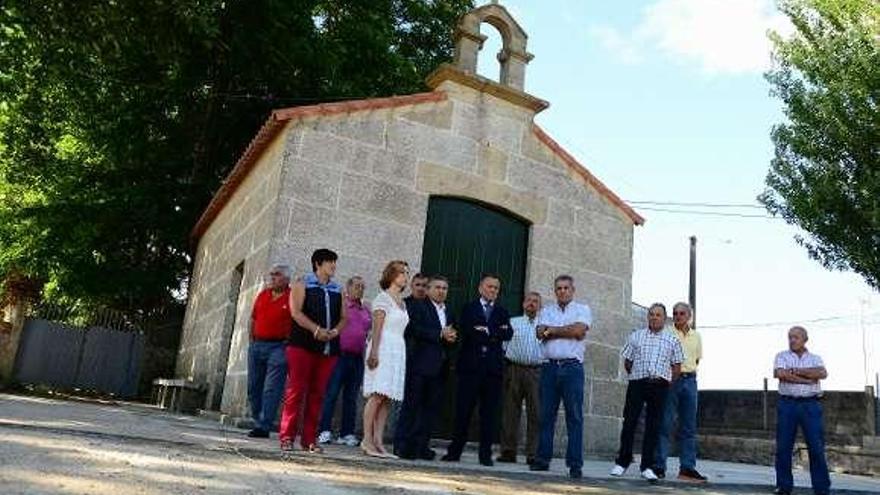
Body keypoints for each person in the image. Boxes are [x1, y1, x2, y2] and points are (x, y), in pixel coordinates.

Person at [279, 249, 347, 453]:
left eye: (334, 262)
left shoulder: (338, 289)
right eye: (330, 262)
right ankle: (287, 437)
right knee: (296, 391)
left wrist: (335, 331)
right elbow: (296, 312)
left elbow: (344, 317)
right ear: (318, 264)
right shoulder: (302, 284)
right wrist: (315, 330)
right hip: (302, 345)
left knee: (318, 393)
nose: (333, 266)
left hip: (328, 347)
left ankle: (309, 439)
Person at [442, 274, 512, 466]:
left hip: (493, 371)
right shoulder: (468, 308)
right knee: (463, 411)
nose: (493, 291)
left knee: (489, 414)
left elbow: (508, 333)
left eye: (496, 288)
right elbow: (468, 330)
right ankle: (454, 451)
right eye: (490, 287)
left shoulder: (502, 311)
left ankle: (485, 455)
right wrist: (491, 333)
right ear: (480, 288)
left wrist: (486, 331)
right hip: (470, 368)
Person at [611, 303, 683, 482]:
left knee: (654, 426)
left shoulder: (672, 340)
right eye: (651, 314)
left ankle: (647, 466)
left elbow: (677, 366)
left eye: (658, 315)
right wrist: (637, 376)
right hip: (637, 383)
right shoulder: (636, 336)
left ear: (664, 319)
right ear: (647, 317)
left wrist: (667, 383)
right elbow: (628, 362)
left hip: (660, 386)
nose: (654, 317)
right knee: (630, 423)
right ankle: (622, 462)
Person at [529, 276, 592, 479]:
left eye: (566, 288)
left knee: (574, 417)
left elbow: (579, 330)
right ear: (555, 291)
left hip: (572, 368)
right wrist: (565, 331)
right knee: (546, 416)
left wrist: (552, 330)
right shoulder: (546, 311)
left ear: (573, 290)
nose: (562, 291)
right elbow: (539, 332)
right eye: (558, 288)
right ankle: (542, 460)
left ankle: (575, 464)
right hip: (549, 368)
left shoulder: (583, 309)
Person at [397, 275, 457, 460]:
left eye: (444, 288)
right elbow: (413, 329)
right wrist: (439, 334)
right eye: (437, 287)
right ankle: (403, 446)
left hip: (440, 367)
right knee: (412, 407)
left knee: (430, 409)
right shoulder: (418, 306)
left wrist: (452, 338)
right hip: (419, 365)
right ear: (429, 289)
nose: (441, 291)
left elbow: (451, 334)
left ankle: (422, 446)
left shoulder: (449, 310)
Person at [773, 326, 830, 495]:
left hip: (810, 405)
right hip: (787, 404)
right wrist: (806, 380)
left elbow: (822, 373)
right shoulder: (781, 356)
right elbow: (781, 374)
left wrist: (797, 371)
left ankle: (821, 488)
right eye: (790, 337)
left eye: (796, 337)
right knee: (783, 447)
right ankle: (784, 486)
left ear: (805, 339)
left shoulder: (815, 358)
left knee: (816, 447)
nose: (792, 340)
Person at [361, 260, 410, 458]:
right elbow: (377, 328)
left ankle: (379, 441)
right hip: (383, 347)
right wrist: (374, 352)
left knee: (387, 397)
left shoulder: (402, 302)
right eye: (401, 272)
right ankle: (367, 439)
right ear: (391, 275)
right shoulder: (383, 298)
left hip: (398, 348)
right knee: (377, 394)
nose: (405, 276)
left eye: (406, 272)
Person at [654, 301, 707, 482]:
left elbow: (696, 360)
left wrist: (687, 373)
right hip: (671, 380)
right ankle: (659, 466)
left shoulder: (696, 336)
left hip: (690, 381)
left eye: (682, 313)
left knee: (689, 427)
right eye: (675, 313)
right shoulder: (667, 333)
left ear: (689, 316)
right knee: (665, 424)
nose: (678, 316)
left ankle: (687, 468)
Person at [317, 276, 371, 447]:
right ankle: (324, 431)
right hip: (339, 355)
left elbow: (367, 330)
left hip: (357, 358)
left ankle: (346, 433)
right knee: (331, 394)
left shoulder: (365, 310)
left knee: (351, 397)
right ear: (348, 288)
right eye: (356, 286)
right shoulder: (340, 305)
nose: (360, 289)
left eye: (362, 287)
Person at [497, 292, 544, 465]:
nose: (532, 304)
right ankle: (508, 451)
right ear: (524, 304)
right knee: (510, 412)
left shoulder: (545, 326)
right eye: (529, 301)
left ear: (540, 306)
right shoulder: (513, 322)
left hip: (536, 372)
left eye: (536, 302)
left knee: (536, 414)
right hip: (514, 370)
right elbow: (504, 346)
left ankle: (533, 454)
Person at [246, 264, 292, 438]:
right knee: (253, 386)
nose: (272, 277)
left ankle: (264, 426)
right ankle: (258, 420)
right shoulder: (263, 294)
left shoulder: (292, 296)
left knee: (272, 388)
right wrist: (251, 341)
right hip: (257, 345)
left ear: (286, 279)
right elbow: (253, 318)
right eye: (271, 274)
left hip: (279, 348)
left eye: (277, 275)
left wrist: (288, 344)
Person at [393, 273, 429, 452]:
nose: (421, 288)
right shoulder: (404, 304)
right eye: (418, 285)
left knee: (421, 406)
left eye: (424, 285)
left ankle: (416, 444)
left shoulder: (431, 307)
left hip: (426, 362)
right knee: (406, 404)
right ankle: (399, 442)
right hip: (407, 358)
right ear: (412, 286)